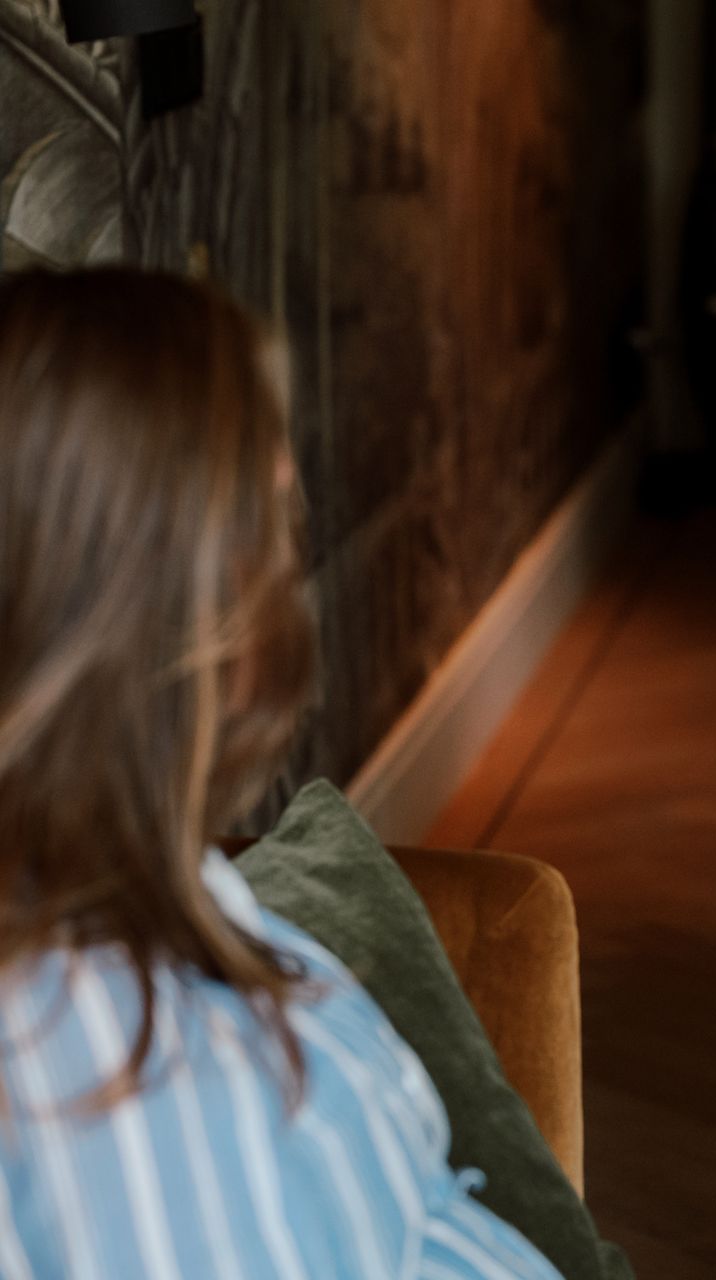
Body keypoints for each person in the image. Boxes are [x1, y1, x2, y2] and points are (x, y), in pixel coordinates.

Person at [0, 268, 560, 1278]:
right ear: (177, 602)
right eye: (266, 523)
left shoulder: (127, 897)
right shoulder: (136, 1069)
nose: (288, 568)